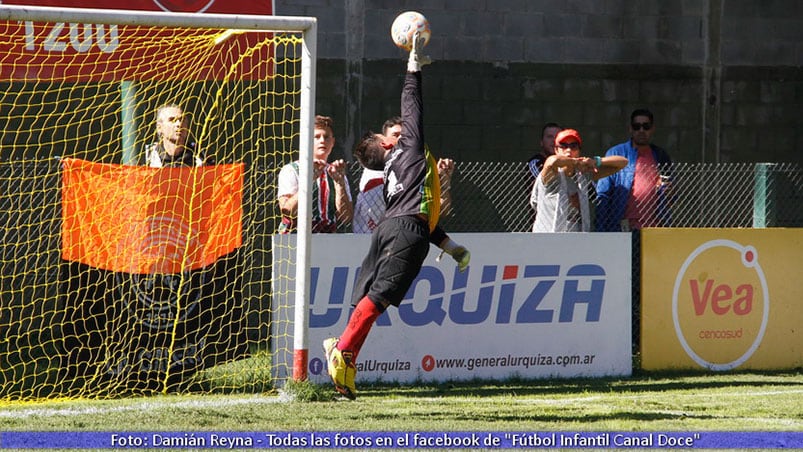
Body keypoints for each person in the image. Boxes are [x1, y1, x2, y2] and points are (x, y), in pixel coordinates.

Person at [323, 33, 469, 400]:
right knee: (381, 296)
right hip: (405, 232)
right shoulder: (410, 151)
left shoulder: (396, 171)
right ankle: (343, 351)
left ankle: (344, 356)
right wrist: (413, 66)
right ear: (388, 144)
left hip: (392, 228)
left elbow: (422, 214)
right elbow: (412, 104)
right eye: (387, 133)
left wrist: (450, 247)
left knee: (370, 296)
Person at [353, 116, 456, 233]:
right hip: (380, 242)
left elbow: (440, 210)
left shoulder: (412, 171)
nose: (402, 139)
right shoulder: (374, 173)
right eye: (395, 135)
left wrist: (442, 183)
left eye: (405, 135)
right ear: (384, 144)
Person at [531, 129, 626, 232]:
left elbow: (622, 163)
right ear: (556, 150)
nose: (568, 150)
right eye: (563, 146)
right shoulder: (552, 173)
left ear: (579, 150)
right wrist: (576, 162)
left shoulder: (582, 174)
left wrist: (595, 161)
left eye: (573, 146)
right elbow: (552, 161)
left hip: (575, 238)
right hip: (547, 237)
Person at [595, 108, 673, 232]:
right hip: (623, 227)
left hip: (653, 228)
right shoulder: (616, 153)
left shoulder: (661, 156)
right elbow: (603, 193)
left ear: (652, 129)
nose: (641, 130)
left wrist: (668, 191)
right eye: (637, 126)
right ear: (630, 129)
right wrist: (601, 230)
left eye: (646, 126)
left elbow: (670, 194)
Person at [276, 115, 353, 233]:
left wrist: (340, 183)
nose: (322, 140)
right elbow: (287, 211)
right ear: (306, 141)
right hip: (294, 237)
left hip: (327, 238)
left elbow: (346, 218)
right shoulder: (291, 170)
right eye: (317, 137)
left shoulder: (336, 172)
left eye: (326, 137)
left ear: (333, 142)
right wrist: (309, 181)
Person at [145, 104, 211, 167]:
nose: (179, 124)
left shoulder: (200, 155)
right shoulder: (148, 156)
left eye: (182, 119)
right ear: (159, 127)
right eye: (172, 120)